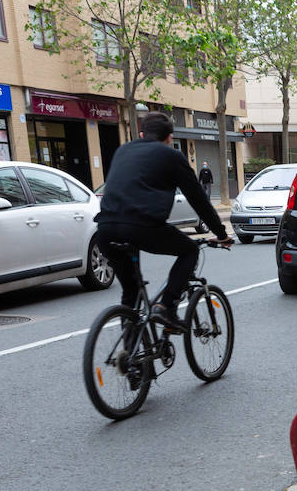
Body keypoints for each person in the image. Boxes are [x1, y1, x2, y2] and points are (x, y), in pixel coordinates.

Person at [95, 112, 229, 332]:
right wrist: (221, 234)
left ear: (141, 134)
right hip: (142, 227)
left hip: (105, 229)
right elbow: (198, 199)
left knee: (130, 292)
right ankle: (165, 307)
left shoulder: (122, 150)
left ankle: (129, 357)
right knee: (189, 251)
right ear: (169, 137)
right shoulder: (171, 156)